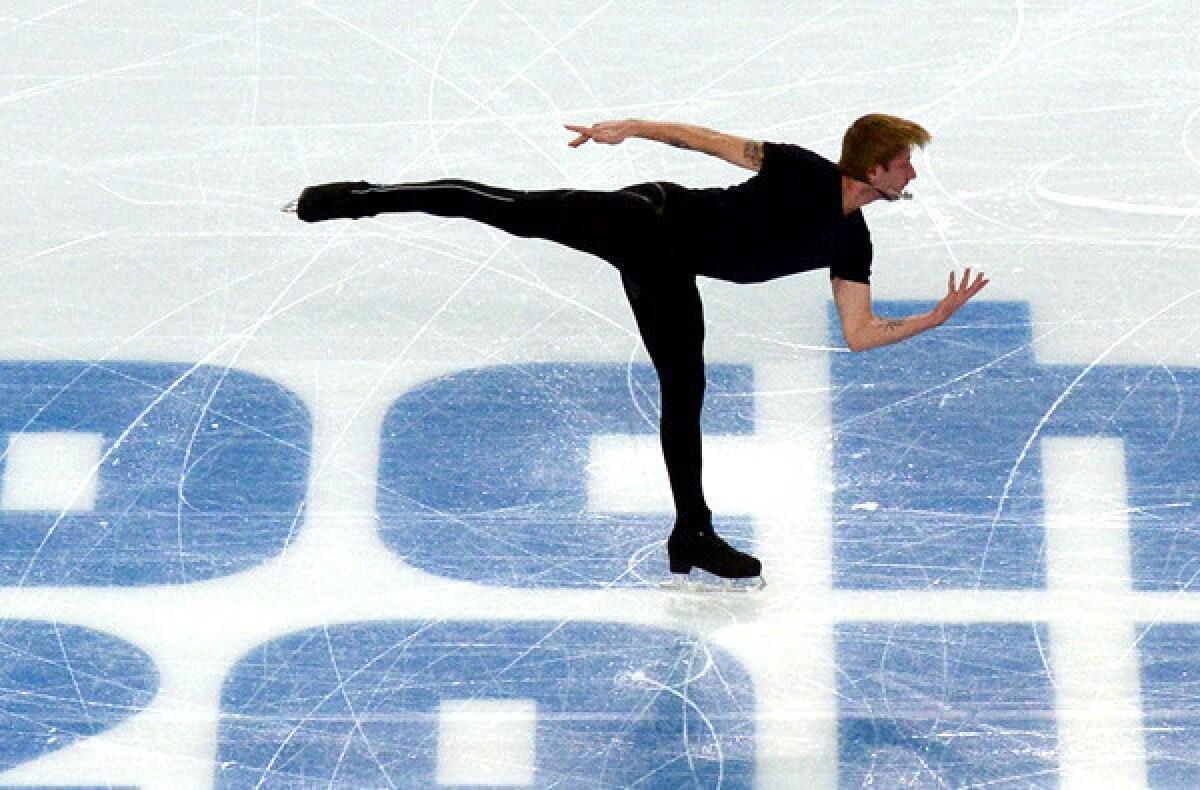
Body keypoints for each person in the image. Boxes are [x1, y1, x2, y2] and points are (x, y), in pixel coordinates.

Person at [287, 114, 989, 589]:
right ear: (874, 164)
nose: (912, 176)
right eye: (905, 164)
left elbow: (860, 335)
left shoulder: (852, 241)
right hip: (649, 215)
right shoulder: (803, 172)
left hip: (666, 268)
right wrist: (631, 128)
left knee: (686, 391)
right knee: (513, 209)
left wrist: (934, 316)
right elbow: (710, 143)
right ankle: (361, 198)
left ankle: (692, 534)